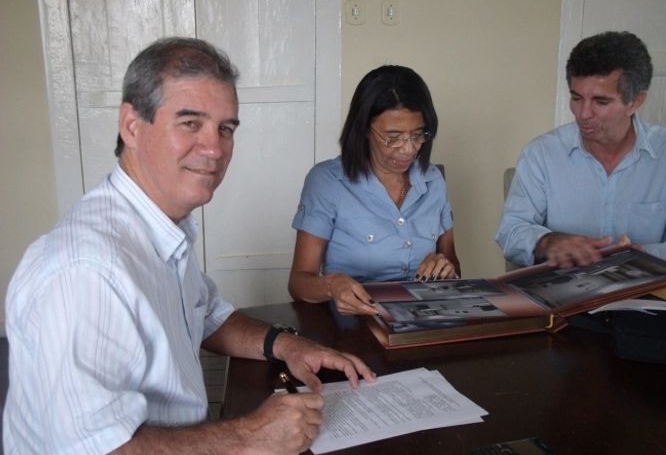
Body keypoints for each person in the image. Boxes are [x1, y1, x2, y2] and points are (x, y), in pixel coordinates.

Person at [3, 37, 375, 455]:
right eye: (190, 123)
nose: (215, 149)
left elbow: (206, 315)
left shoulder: (159, 226)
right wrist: (251, 436)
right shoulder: (85, 273)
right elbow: (95, 450)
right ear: (131, 126)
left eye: (225, 129)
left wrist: (286, 345)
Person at [495, 31, 666, 270]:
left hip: (648, 288)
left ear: (635, 102)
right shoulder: (541, 153)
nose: (583, 114)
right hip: (564, 291)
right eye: (576, 98)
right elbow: (510, 231)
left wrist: (643, 255)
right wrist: (546, 242)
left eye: (601, 102)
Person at [288, 65, 461, 316]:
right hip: (353, 322)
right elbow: (298, 283)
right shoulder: (328, 182)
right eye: (393, 137)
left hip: (424, 317)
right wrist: (331, 285)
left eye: (418, 135)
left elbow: (453, 264)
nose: (409, 149)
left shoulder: (432, 179)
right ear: (365, 129)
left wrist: (444, 268)